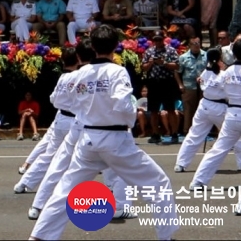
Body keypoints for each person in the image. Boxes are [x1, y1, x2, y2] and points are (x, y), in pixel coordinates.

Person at [30, 25, 177, 240]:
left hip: (88, 138)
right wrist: (129, 120)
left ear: (93, 46)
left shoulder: (81, 74)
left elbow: (59, 100)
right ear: (116, 46)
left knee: (65, 191)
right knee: (158, 183)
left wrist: (81, 107)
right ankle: (166, 236)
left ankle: (40, 236)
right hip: (115, 137)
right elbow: (122, 103)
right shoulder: (117, 71)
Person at [13, 47, 79, 195]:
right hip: (73, 121)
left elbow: (52, 98)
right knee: (81, 156)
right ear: (78, 60)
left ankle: (24, 183)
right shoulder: (78, 77)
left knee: (49, 154)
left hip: (61, 118)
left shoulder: (62, 77)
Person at [174, 48, 241, 173]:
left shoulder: (205, 72)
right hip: (220, 107)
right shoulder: (222, 74)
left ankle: (181, 163)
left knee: (194, 134)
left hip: (204, 105)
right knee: (238, 134)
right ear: (220, 58)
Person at [142, 30, 181, 144]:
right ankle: (155, 134)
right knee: (153, 110)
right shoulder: (149, 51)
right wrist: (150, 63)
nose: (157, 42)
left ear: (163, 39)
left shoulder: (170, 50)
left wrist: (164, 63)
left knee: (170, 109)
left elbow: (177, 65)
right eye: (155, 40)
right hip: (154, 82)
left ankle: (174, 133)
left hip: (167, 81)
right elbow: (143, 67)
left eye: (159, 39)